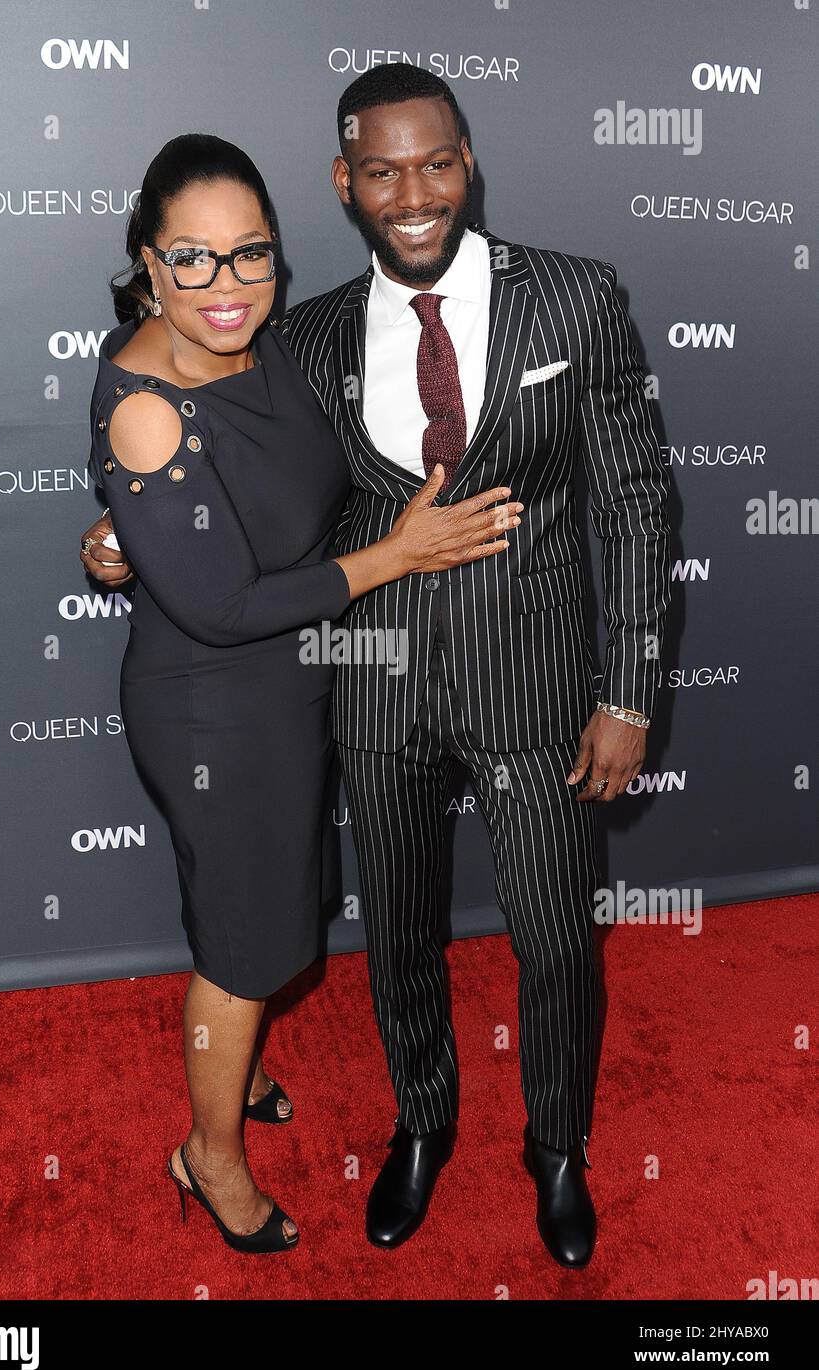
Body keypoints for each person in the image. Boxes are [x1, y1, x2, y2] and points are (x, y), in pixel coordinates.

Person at [83, 64, 672, 1268]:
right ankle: (422, 1121)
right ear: (344, 186)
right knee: (398, 932)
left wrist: (629, 688)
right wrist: (118, 527)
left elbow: (638, 505)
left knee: (556, 939)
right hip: (368, 683)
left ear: (468, 165)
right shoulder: (299, 332)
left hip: (534, 680)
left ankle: (556, 1149)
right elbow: (205, 456)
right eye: (383, 171)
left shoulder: (575, 300)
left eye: (437, 163)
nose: (415, 193)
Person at [81, 133, 522, 1255]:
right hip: (215, 708)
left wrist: (120, 540)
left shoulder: (261, 345)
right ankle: (209, 1156)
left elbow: (242, 518)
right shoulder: (148, 408)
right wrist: (403, 554)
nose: (225, 287)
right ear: (147, 261)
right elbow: (222, 606)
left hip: (292, 688)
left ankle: (243, 1071)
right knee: (241, 950)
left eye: (249, 256)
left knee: (264, 916)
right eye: (192, 260)